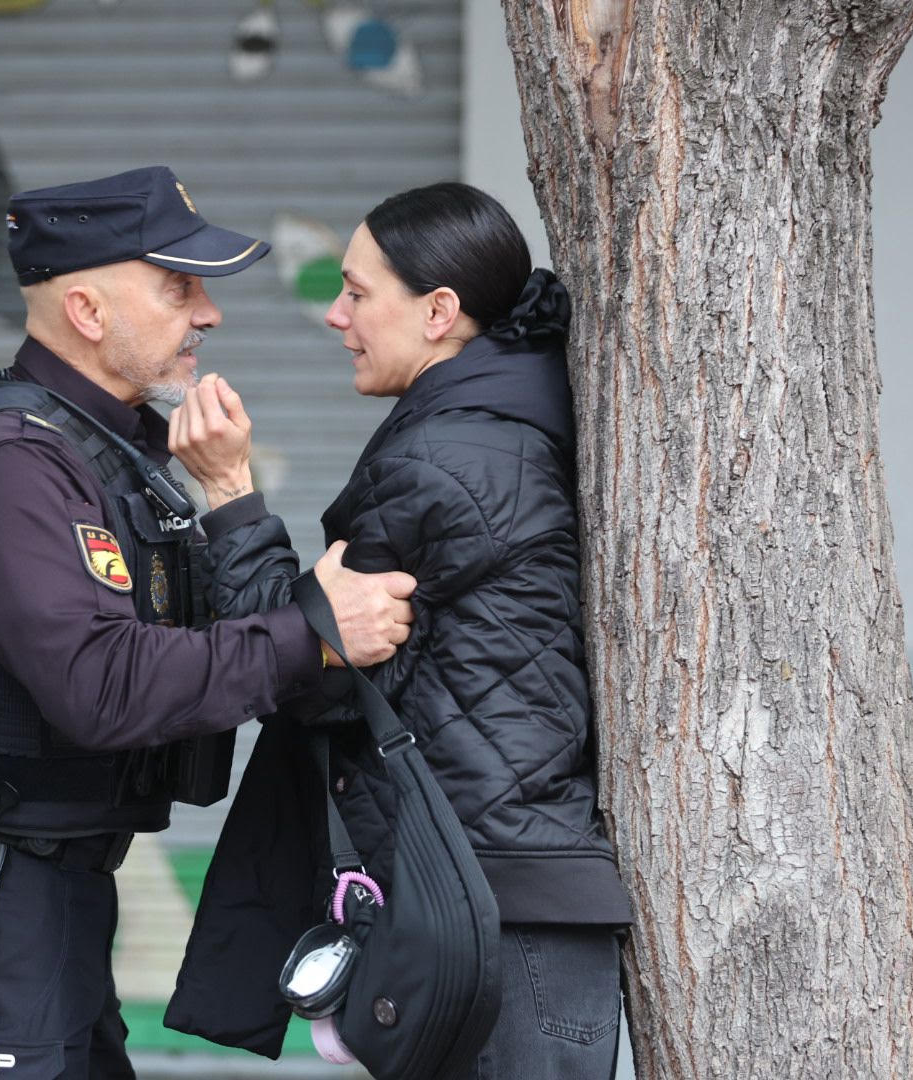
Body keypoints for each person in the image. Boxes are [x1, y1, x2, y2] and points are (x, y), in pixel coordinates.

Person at [0, 165, 418, 1080]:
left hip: (53, 881)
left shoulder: (109, 450)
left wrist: (240, 507)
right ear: (86, 310)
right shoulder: (11, 464)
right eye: (178, 287)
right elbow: (100, 686)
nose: (209, 313)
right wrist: (312, 632)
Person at [164, 182, 633, 1078]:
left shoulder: (444, 456)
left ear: (439, 312)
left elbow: (312, 671)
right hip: (521, 904)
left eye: (357, 292)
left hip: (489, 915)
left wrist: (228, 494)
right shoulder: (510, 429)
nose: (337, 316)